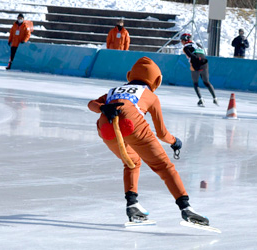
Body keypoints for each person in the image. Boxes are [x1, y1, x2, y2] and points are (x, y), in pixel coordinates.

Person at [88, 57, 209, 226]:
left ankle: (132, 204)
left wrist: (102, 108)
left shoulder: (114, 90)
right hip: (133, 124)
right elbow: (161, 133)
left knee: (131, 162)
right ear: (157, 80)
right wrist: (174, 141)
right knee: (164, 167)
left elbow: (91, 104)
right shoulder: (150, 96)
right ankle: (185, 207)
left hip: (106, 127)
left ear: (130, 75)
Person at [180, 33, 218, 107]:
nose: (181, 42)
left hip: (196, 65)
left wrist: (194, 61)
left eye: (182, 40)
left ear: (186, 40)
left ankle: (201, 99)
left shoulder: (185, 48)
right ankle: (215, 97)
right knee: (207, 82)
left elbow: (191, 56)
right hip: (204, 63)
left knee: (195, 83)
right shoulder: (198, 44)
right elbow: (203, 52)